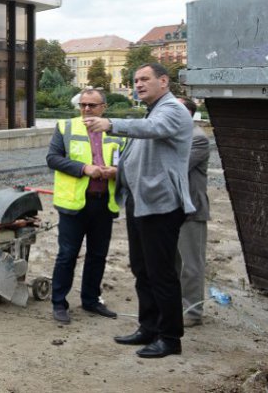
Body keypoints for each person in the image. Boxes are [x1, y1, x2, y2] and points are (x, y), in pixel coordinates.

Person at [85, 63, 195, 359]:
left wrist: (111, 124)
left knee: (161, 273)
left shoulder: (171, 109)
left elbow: (151, 130)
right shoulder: (154, 109)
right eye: (135, 80)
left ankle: (170, 338)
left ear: (163, 81)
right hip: (142, 201)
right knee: (142, 269)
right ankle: (149, 327)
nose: (139, 84)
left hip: (162, 204)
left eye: (145, 79)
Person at [46, 87, 125, 325]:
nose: (87, 109)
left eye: (92, 105)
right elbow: (53, 158)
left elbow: (130, 162)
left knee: (98, 255)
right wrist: (84, 169)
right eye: (83, 105)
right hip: (74, 204)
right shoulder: (66, 127)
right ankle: (59, 303)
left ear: (104, 107)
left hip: (104, 203)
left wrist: (117, 172)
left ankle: (91, 300)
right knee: (67, 255)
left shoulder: (118, 132)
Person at [176, 97, 211, 328]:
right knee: (173, 263)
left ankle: (192, 311)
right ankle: (176, 306)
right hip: (170, 209)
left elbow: (175, 167)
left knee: (190, 264)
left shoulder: (197, 138)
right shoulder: (176, 136)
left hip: (191, 210)